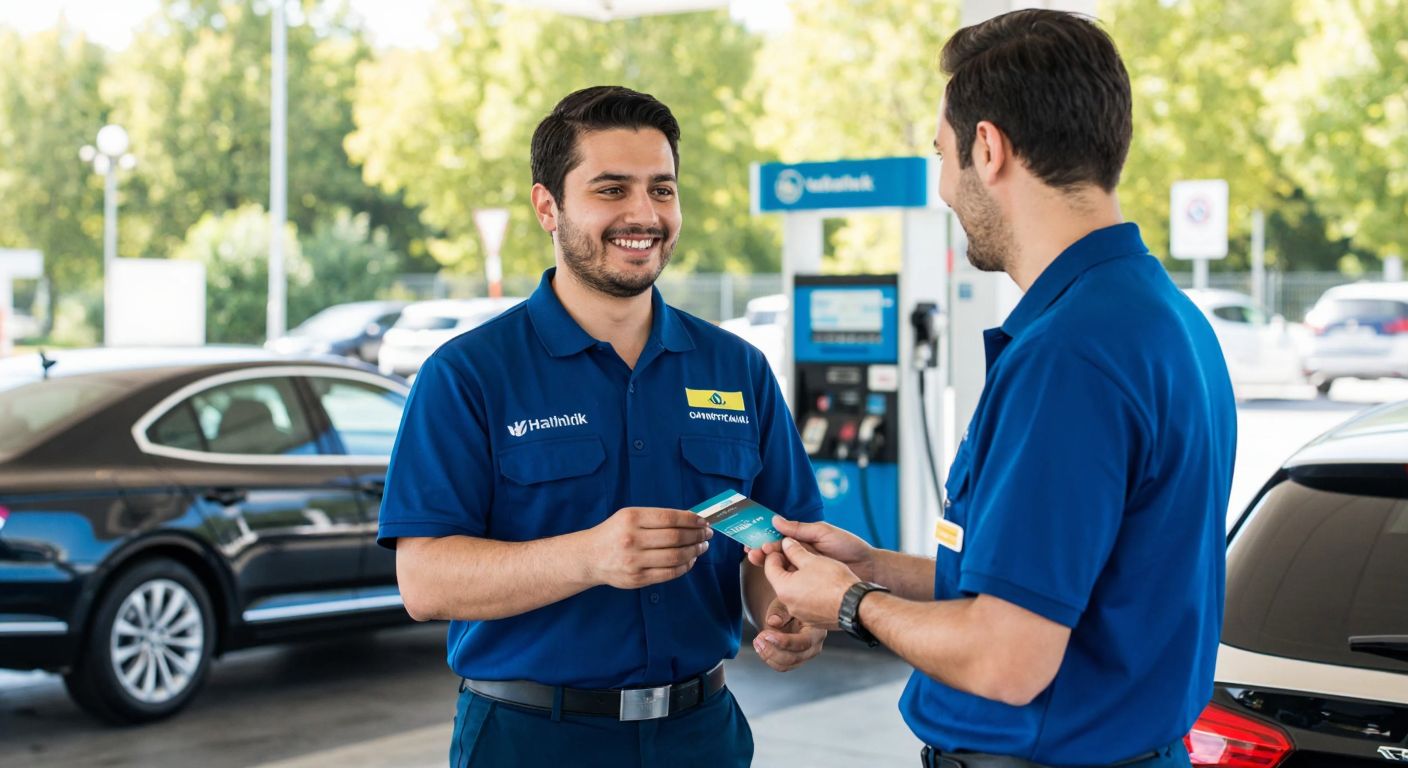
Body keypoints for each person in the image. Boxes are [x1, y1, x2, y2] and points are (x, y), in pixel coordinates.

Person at [750, 10, 1235, 768]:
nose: (945, 187)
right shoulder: (1162, 317)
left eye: (942, 154)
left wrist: (847, 604)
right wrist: (872, 566)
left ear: (988, 147)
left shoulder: (1068, 359)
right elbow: (1051, 583)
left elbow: (1008, 659)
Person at [378, 85, 825, 768]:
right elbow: (425, 581)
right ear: (547, 207)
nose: (644, 214)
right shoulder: (468, 375)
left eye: (663, 190)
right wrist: (588, 558)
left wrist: (783, 612)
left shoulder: (739, 368)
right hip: (530, 739)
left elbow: (779, 542)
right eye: (612, 190)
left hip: (701, 735)